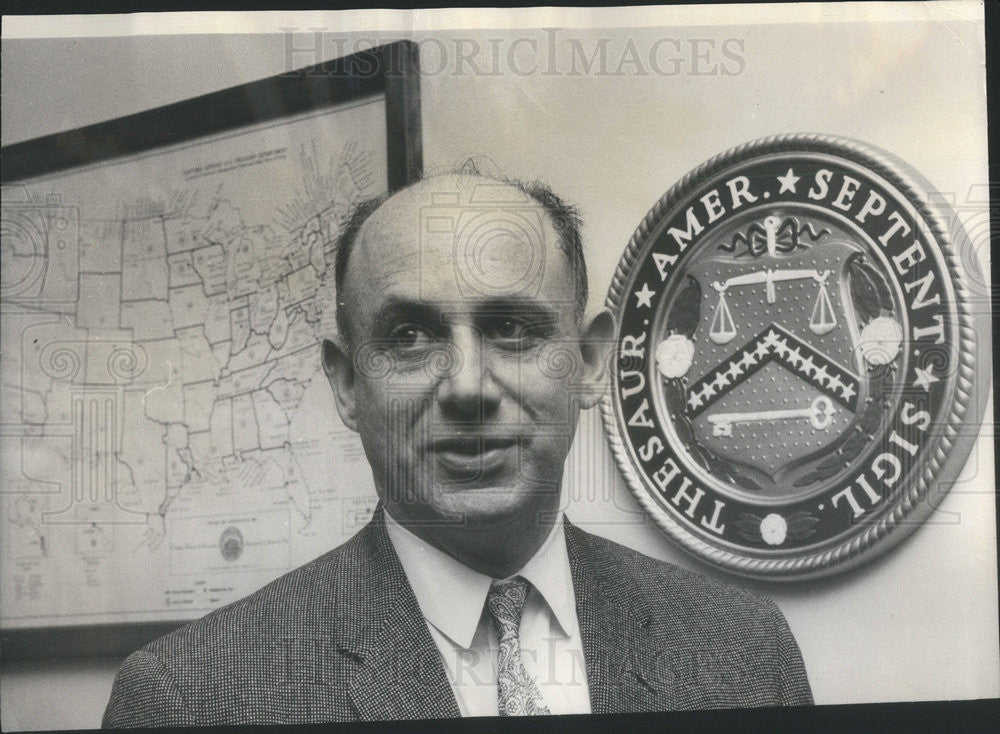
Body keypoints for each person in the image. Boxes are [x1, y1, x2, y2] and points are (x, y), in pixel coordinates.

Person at [103, 169, 812, 727]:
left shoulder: (745, 650)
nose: (467, 386)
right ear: (347, 385)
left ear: (592, 365)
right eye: (410, 337)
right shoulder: (191, 697)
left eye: (512, 328)